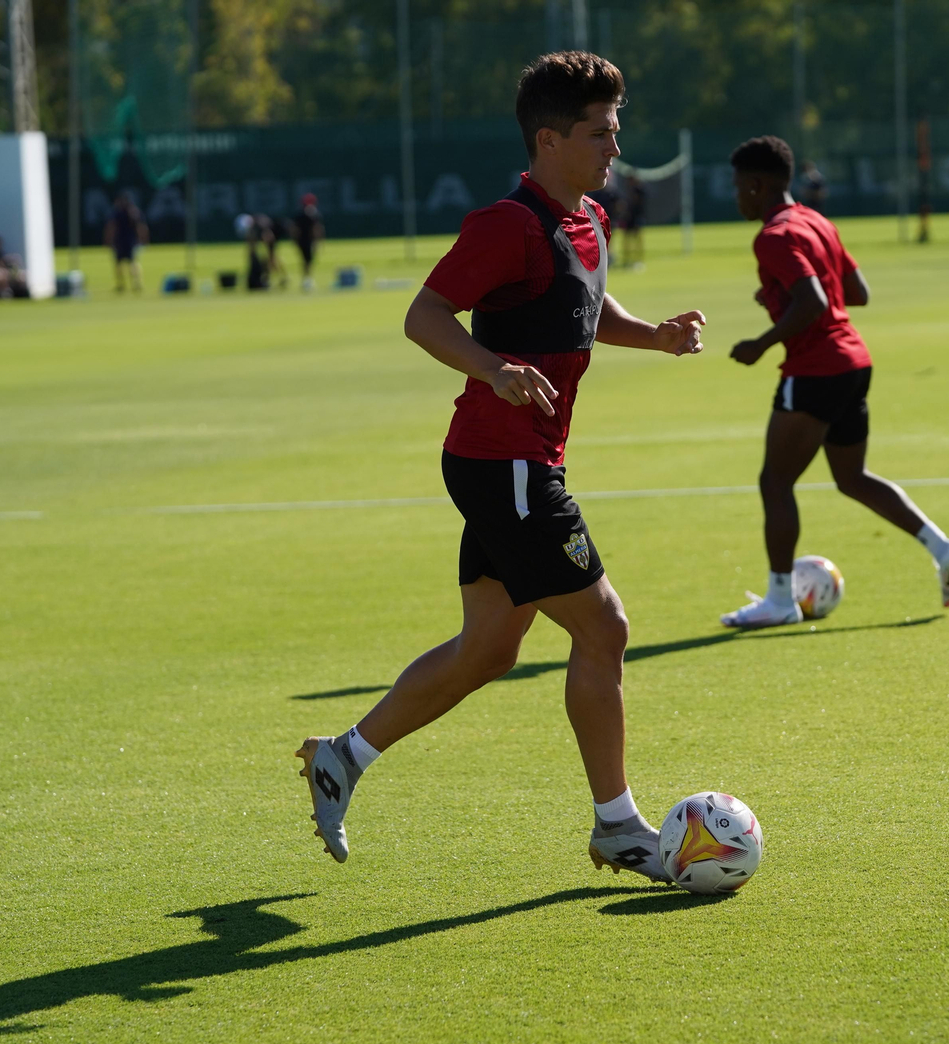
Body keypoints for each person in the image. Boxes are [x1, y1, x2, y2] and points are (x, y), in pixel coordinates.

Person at [296, 51, 706, 883]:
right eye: (598, 135)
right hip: (506, 465)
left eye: (616, 131)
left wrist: (653, 335)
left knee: (488, 650)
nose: (613, 150)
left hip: (511, 465)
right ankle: (618, 826)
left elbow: (587, 306)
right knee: (606, 629)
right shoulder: (506, 224)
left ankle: (343, 756)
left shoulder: (588, 220)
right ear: (548, 139)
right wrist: (492, 368)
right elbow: (424, 315)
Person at [720, 135, 949, 629]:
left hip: (817, 368)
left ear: (757, 185)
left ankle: (779, 600)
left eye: (739, 187)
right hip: (854, 363)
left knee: (775, 481)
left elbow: (815, 301)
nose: (737, 197)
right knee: (851, 478)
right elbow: (854, 292)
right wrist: (781, 296)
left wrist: (763, 340)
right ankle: (945, 549)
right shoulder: (817, 221)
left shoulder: (772, 236)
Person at [104, 194, 148, 294]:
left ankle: (121, 284)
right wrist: (143, 238)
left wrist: (108, 240)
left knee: (120, 264)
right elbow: (141, 227)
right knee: (132, 262)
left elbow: (111, 227)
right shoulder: (133, 212)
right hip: (130, 241)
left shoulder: (117, 212)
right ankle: (136, 284)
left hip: (120, 241)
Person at [290, 193, 325, 292]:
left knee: (306, 261)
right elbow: (317, 229)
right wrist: (318, 241)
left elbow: (294, 230)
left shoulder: (301, 214)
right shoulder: (312, 214)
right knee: (308, 260)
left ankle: (306, 279)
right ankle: (307, 280)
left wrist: (294, 241)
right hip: (308, 241)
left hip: (302, 241)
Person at [621, 174, 646, 268]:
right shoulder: (628, 190)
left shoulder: (639, 190)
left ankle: (638, 259)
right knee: (627, 239)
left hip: (636, 217)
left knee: (637, 238)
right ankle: (627, 259)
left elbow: (638, 204)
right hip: (629, 218)